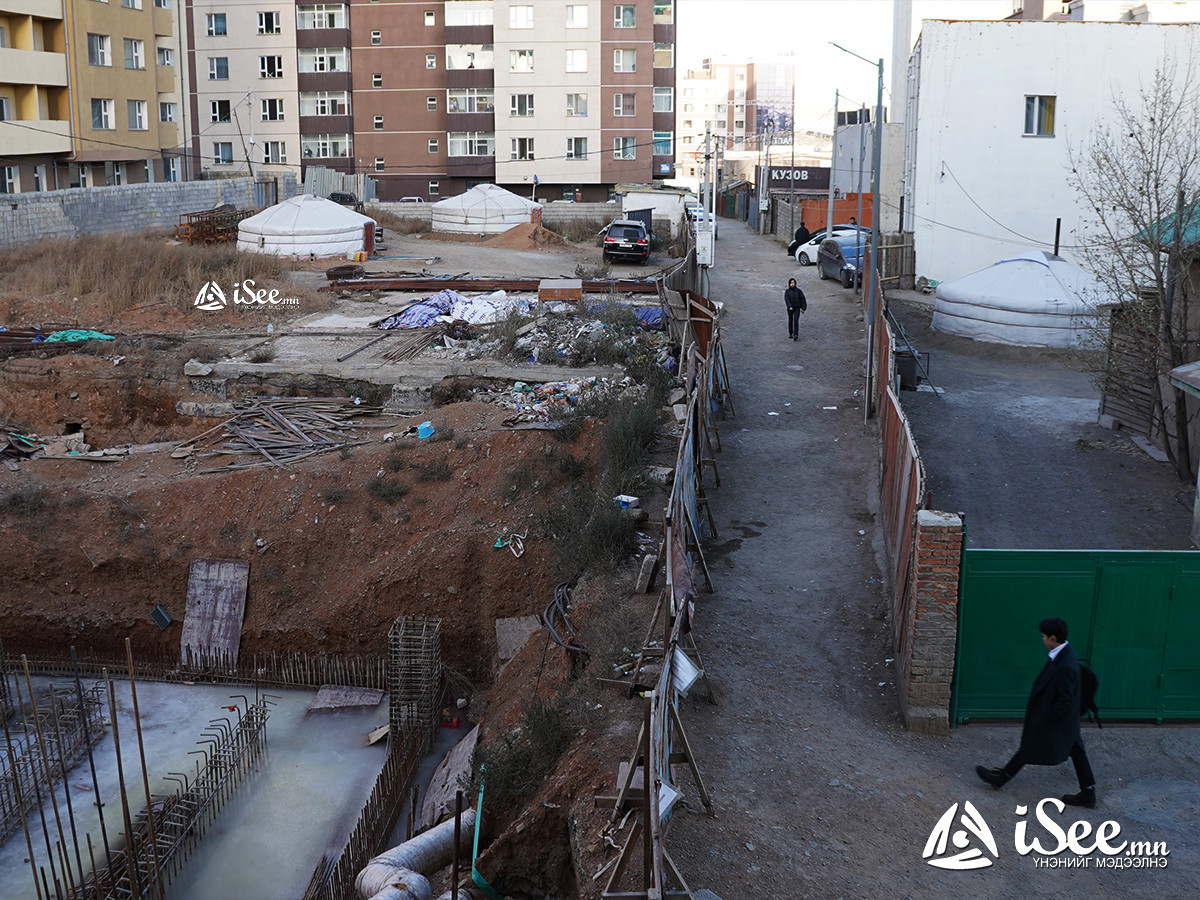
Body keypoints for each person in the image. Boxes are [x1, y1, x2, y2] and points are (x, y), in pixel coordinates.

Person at [976, 618, 1097, 808]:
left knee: (1031, 744)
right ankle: (1088, 792)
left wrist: (1048, 719)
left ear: (1053, 637)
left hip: (1059, 719)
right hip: (1066, 719)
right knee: (1077, 751)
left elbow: (1066, 699)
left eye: (1044, 636)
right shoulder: (1063, 653)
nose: (1042, 639)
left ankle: (1001, 778)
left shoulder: (1066, 664)